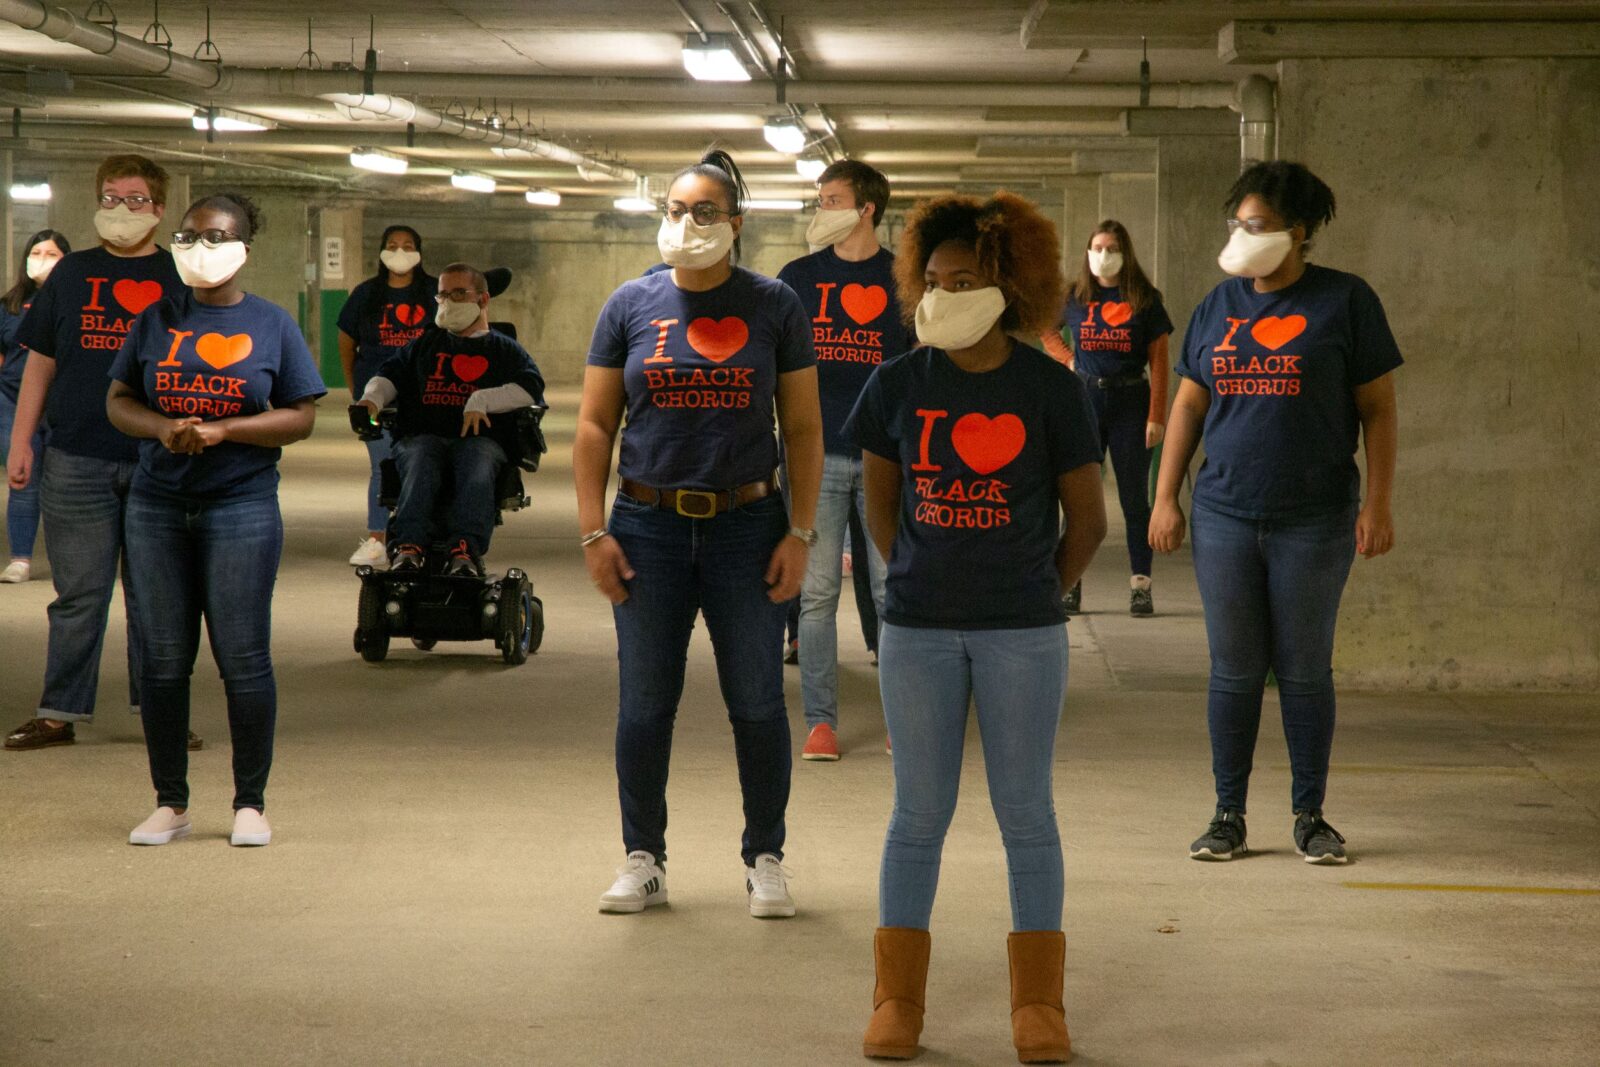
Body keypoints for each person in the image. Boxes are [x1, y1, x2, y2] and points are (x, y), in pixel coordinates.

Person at [848, 192, 1106, 1063]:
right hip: (917, 627)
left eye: (963, 279)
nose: (942, 292)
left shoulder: (1049, 388)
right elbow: (878, 499)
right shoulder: (898, 382)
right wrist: (914, 572)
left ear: (1008, 285)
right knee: (917, 813)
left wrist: (1037, 588)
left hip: (1022, 633)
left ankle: (1040, 1006)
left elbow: (1088, 520)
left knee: (1025, 812)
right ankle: (896, 1000)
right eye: (932, 278)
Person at [575, 148, 822, 919]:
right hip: (645, 523)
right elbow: (592, 424)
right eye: (677, 209)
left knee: (755, 699)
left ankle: (766, 858)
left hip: (748, 524)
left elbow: (806, 428)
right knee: (645, 702)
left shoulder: (774, 304)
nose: (687, 223)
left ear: (737, 223)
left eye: (705, 211)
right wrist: (593, 531)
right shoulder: (629, 305)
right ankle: (642, 857)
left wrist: (802, 531)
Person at [1149, 160, 1400, 866]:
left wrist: (1377, 503)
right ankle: (1228, 813)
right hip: (1226, 510)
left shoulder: (1344, 302)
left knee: (1304, 669)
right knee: (1234, 668)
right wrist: (1166, 497)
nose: (1242, 234)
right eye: (1238, 222)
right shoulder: (1217, 306)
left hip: (1315, 517)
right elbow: (1189, 404)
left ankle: (1310, 814)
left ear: (1299, 231)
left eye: (1256, 225)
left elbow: (1378, 409)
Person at [107, 192, 324, 847]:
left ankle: (249, 803)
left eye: (217, 236)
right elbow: (119, 400)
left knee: (244, 656)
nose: (202, 248)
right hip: (157, 505)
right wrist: (163, 428)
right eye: (191, 236)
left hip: (242, 505)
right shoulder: (154, 320)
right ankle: (170, 801)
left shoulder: (272, 325)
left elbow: (302, 414)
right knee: (163, 660)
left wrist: (226, 429)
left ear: (243, 248)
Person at [3, 155, 198, 752]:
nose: (122, 210)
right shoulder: (71, 274)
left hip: (156, 460)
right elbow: (41, 360)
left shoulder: (181, 278)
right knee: (78, 594)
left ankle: (161, 714)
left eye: (136, 199)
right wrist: (21, 440)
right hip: (75, 457)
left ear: (160, 210)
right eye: (111, 198)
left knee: (155, 595)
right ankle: (58, 712)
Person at [777, 159, 907, 761]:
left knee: (892, 594)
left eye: (833, 199)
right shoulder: (796, 279)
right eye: (820, 198)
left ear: (866, 210)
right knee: (818, 594)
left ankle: (904, 718)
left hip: (886, 457)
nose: (821, 209)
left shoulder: (905, 280)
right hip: (816, 457)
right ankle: (822, 722)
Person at [356, 263, 546, 576]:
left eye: (458, 293)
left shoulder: (504, 349)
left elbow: (530, 388)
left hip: (481, 441)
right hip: (423, 435)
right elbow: (389, 376)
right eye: (443, 295)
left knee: (477, 457)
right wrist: (371, 401)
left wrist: (481, 400)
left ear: (483, 300)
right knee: (421, 454)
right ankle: (408, 547)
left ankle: (465, 549)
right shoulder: (424, 344)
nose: (448, 301)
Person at [1043, 220, 1172, 616]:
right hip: (1085, 399)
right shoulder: (1076, 296)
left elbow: (1160, 361)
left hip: (1132, 400)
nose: (1103, 254)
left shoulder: (1144, 299)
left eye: (1111, 247)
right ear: (1087, 252)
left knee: (1135, 500)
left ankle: (1141, 585)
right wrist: (1069, 360)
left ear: (1124, 252)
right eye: (1096, 247)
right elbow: (1046, 330)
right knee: (1076, 497)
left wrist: (1156, 415)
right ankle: (1070, 582)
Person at [338, 225, 434, 568]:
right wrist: (356, 389)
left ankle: (418, 538)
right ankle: (378, 539)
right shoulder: (366, 295)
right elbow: (347, 343)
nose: (400, 251)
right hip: (375, 396)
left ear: (419, 251)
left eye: (408, 245)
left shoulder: (433, 293)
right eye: (392, 245)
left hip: (423, 396)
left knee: (422, 464)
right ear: (381, 250)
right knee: (383, 466)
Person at [0, 229, 71, 584]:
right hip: (12, 400)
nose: (42, 259)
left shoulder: (74, 303)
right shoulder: (9, 306)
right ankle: (21, 560)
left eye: (52, 254)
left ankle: (68, 560)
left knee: (62, 484)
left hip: (60, 405)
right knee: (23, 480)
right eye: (37, 252)